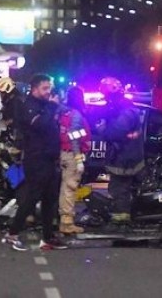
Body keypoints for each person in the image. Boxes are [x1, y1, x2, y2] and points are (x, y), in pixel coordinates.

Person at [2, 74, 68, 251]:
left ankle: (48, 237)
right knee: (32, 197)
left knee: (50, 199)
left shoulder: (46, 105)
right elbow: (41, 125)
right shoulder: (28, 106)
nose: (48, 92)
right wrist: (52, 107)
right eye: (45, 88)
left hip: (50, 158)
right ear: (34, 88)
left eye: (50, 88)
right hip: (36, 158)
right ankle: (12, 234)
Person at [97, 76, 144, 230]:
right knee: (122, 187)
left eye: (105, 94)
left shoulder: (126, 110)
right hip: (126, 155)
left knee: (119, 188)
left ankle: (121, 220)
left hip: (124, 157)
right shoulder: (123, 107)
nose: (105, 98)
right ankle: (123, 216)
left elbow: (115, 132)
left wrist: (102, 129)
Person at [57, 86, 92, 234]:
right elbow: (74, 138)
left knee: (64, 188)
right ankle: (67, 223)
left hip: (61, 153)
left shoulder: (61, 112)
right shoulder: (76, 115)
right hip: (71, 155)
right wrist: (78, 159)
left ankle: (61, 219)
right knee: (70, 188)